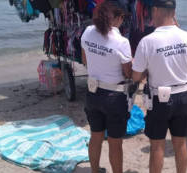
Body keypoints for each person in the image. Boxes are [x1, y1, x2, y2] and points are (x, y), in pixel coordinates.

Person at [132, 0, 187, 172]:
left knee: (157, 147)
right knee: (180, 144)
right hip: (183, 96)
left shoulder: (147, 41)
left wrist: (147, 71)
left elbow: (136, 77)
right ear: (174, 12)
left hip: (160, 98)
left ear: (155, 11)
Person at [80, 1, 132, 173]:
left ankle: (95, 171)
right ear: (117, 18)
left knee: (95, 136)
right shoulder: (121, 42)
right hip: (114, 96)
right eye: (122, 18)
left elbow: (85, 60)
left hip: (93, 92)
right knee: (115, 142)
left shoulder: (87, 32)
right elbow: (128, 73)